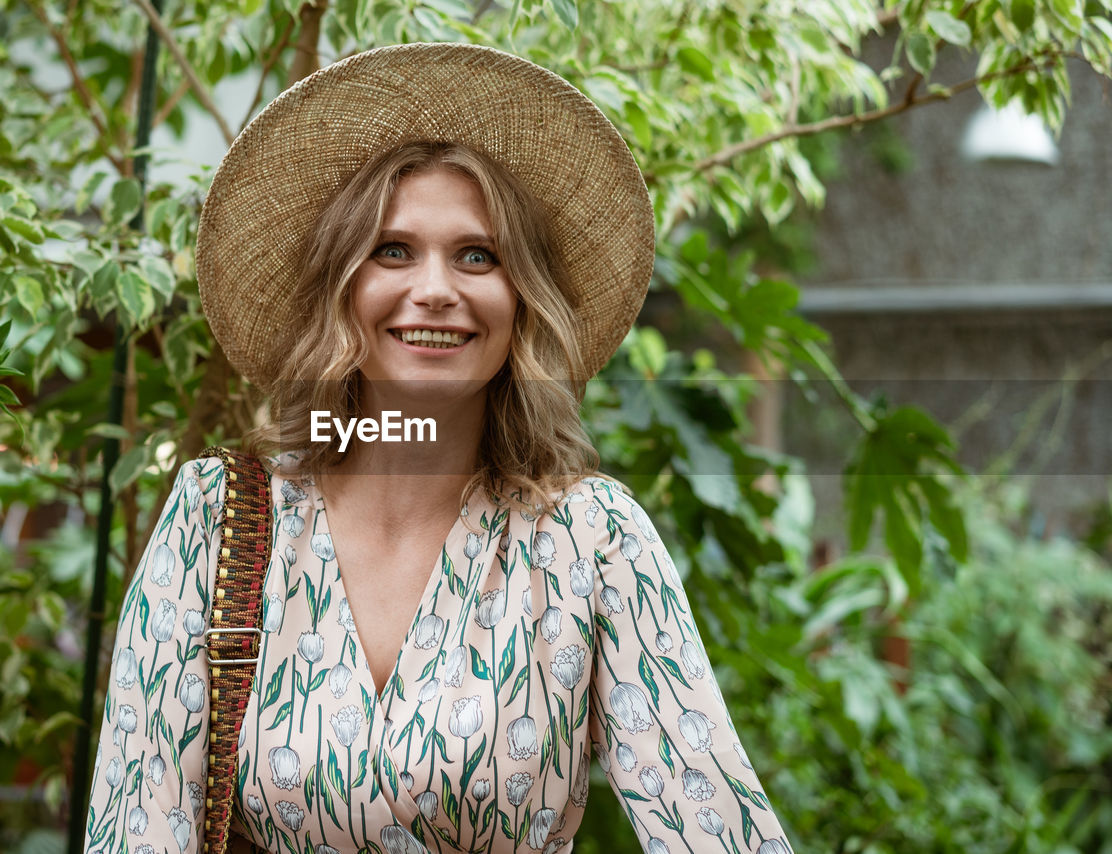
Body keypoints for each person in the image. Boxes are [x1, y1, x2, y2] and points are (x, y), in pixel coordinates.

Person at [83, 43, 796, 854]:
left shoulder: (591, 541)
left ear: (521, 299)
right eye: (393, 251)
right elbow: (136, 829)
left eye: (478, 256)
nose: (435, 288)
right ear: (340, 286)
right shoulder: (219, 522)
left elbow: (718, 829)